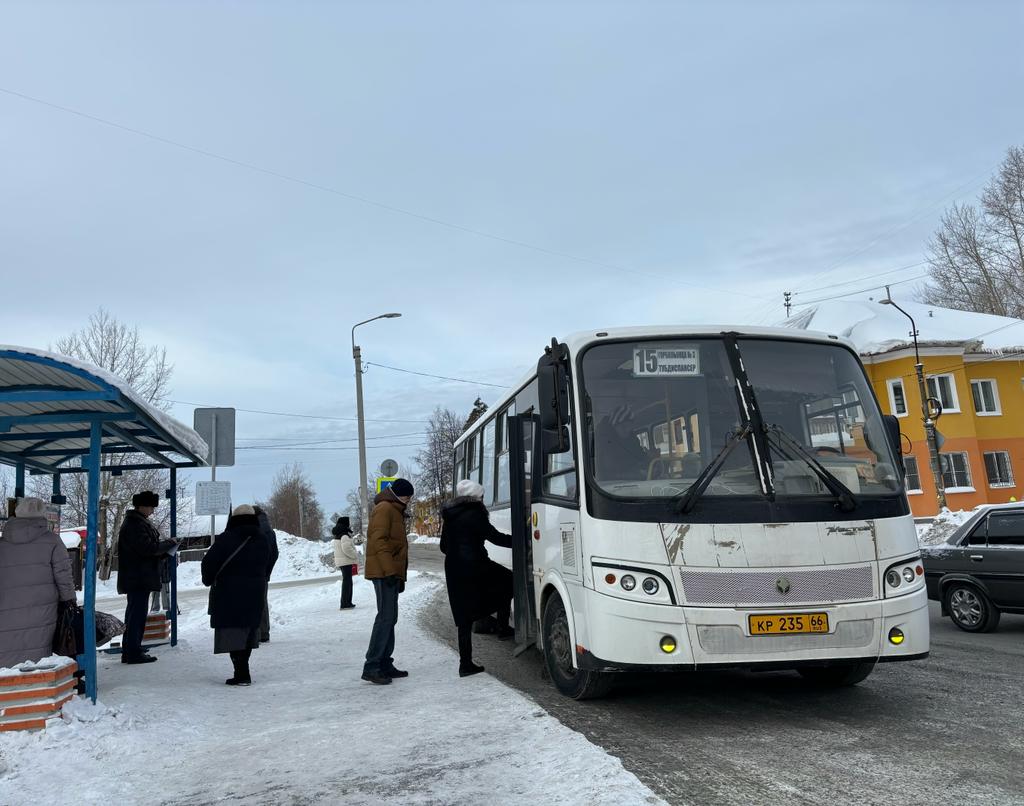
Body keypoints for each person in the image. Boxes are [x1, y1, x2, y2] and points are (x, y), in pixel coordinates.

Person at [440, 480, 514, 677]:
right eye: (482, 496)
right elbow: (495, 537)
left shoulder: (450, 516)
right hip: (474, 564)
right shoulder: (476, 513)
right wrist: (521, 540)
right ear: (475, 497)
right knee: (509, 581)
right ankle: (503, 627)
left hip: (454, 568)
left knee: (463, 618)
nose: (483, 499)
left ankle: (465, 664)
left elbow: (443, 546)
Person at [0, 498, 76, 669]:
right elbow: (64, 575)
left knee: (8, 646)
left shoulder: (2, 543)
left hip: (6, 605)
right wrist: (69, 600)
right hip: (42, 606)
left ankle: (9, 682)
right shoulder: (52, 541)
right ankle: (37, 681)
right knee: (38, 647)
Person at [201, 505, 272, 686]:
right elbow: (270, 560)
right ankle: (243, 671)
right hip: (255, 590)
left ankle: (241, 673)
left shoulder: (227, 538)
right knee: (248, 629)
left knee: (232, 631)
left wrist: (209, 579)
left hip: (229, 592)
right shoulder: (262, 539)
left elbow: (209, 563)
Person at [361, 478, 413, 685]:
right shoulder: (385, 509)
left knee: (390, 618)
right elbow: (379, 541)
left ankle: (384, 663)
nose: (409, 500)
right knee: (385, 618)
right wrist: (391, 571)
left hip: (389, 571)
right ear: (399, 495)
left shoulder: (394, 509)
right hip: (383, 572)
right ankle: (372, 666)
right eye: (407, 496)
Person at [116, 491, 176, 665]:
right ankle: (132, 652)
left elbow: (146, 551)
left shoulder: (136, 522)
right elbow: (148, 548)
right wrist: (169, 544)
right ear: (141, 505)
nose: (152, 510)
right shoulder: (135, 524)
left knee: (135, 614)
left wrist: (163, 550)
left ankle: (131, 649)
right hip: (138, 578)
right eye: (151, 506)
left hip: (138, 577)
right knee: (136, 616)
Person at [593, 404, 658, 480]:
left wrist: (650, 458)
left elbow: (639, 456)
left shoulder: (632, 440)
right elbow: (610, 467)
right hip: (609, 485)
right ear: (614, 425)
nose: (627, 430)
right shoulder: (602, 440)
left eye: (629, 427)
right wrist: (638, 473)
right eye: (623, 427)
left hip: (634, 482)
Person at [253, 506, 279, 642]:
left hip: (254, 572)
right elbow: (275, 554)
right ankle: (264, 633)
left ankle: (256, 633)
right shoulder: (270, 531)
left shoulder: (254, 530)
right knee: (263, 602)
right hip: (264, 573)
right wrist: (267, 571)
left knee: (253, 603)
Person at [332, 516, 359, 610]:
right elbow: (346, 548)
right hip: (346, 561)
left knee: (347, 582)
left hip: (343, 561)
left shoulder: (339, 534)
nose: (349, 524)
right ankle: (345, 603)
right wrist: (355, 555)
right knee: (347, 582)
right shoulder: (344, 535)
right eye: (348, 523)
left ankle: (347, 602)